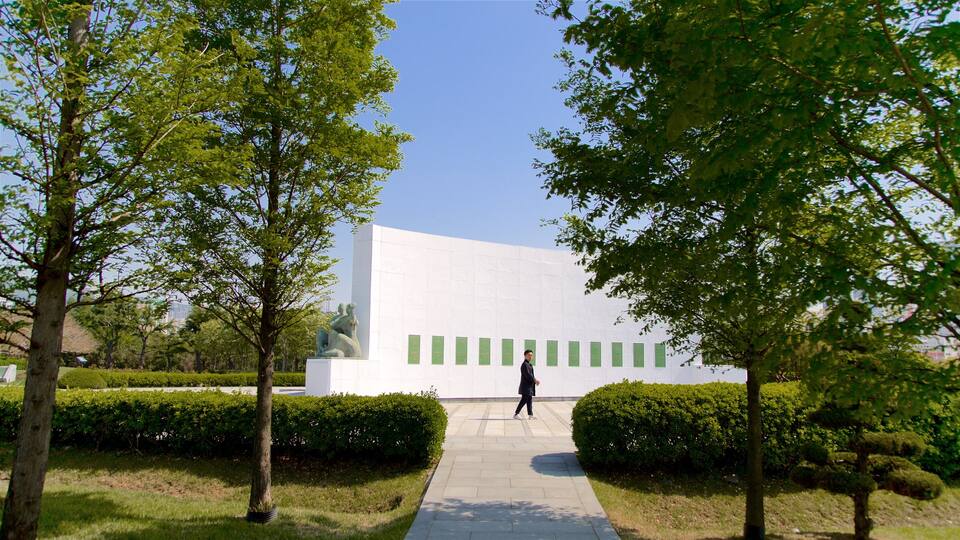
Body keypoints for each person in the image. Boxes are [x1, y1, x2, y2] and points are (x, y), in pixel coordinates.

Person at [513, 349, 540, 419]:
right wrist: (535, 380)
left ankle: (530, 415)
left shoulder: (529, 364)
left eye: (531, 355)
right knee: (524, 400)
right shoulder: (524, 365)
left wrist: (534, 380)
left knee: (529, 400)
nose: (530, 357)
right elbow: (528, 375)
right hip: (526, 387)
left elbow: (531, 375)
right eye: (529, 355)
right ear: (525, 356)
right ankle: (516, 414)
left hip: (529, 386)